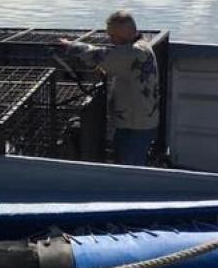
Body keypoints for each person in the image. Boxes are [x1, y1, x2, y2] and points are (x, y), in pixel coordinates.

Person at [58, 11, 159, 166]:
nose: (110, 39)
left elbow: (102, 55)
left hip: (135, 127)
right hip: (139, 121)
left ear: (123, 35)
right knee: (128, 163)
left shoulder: (135, 53)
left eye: (112, 35)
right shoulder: (143, 45)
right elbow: (123, 67)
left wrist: (70, 46)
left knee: (129, 171)